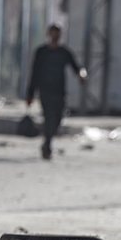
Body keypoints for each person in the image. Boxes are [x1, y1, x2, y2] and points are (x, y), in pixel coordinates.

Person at [26, 24, 87, 160]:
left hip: (59, 91)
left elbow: (76, 67)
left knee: (58, 119)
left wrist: (81, 75)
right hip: (45, 91)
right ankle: (47, 145)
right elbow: (34, 73)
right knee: (48, 117)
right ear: (48, 35)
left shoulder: (63, 52)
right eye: (52, 33)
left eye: (57, 34)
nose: (55, 37)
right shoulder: (41, 52)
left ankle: (47, 141)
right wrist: (30, 94)